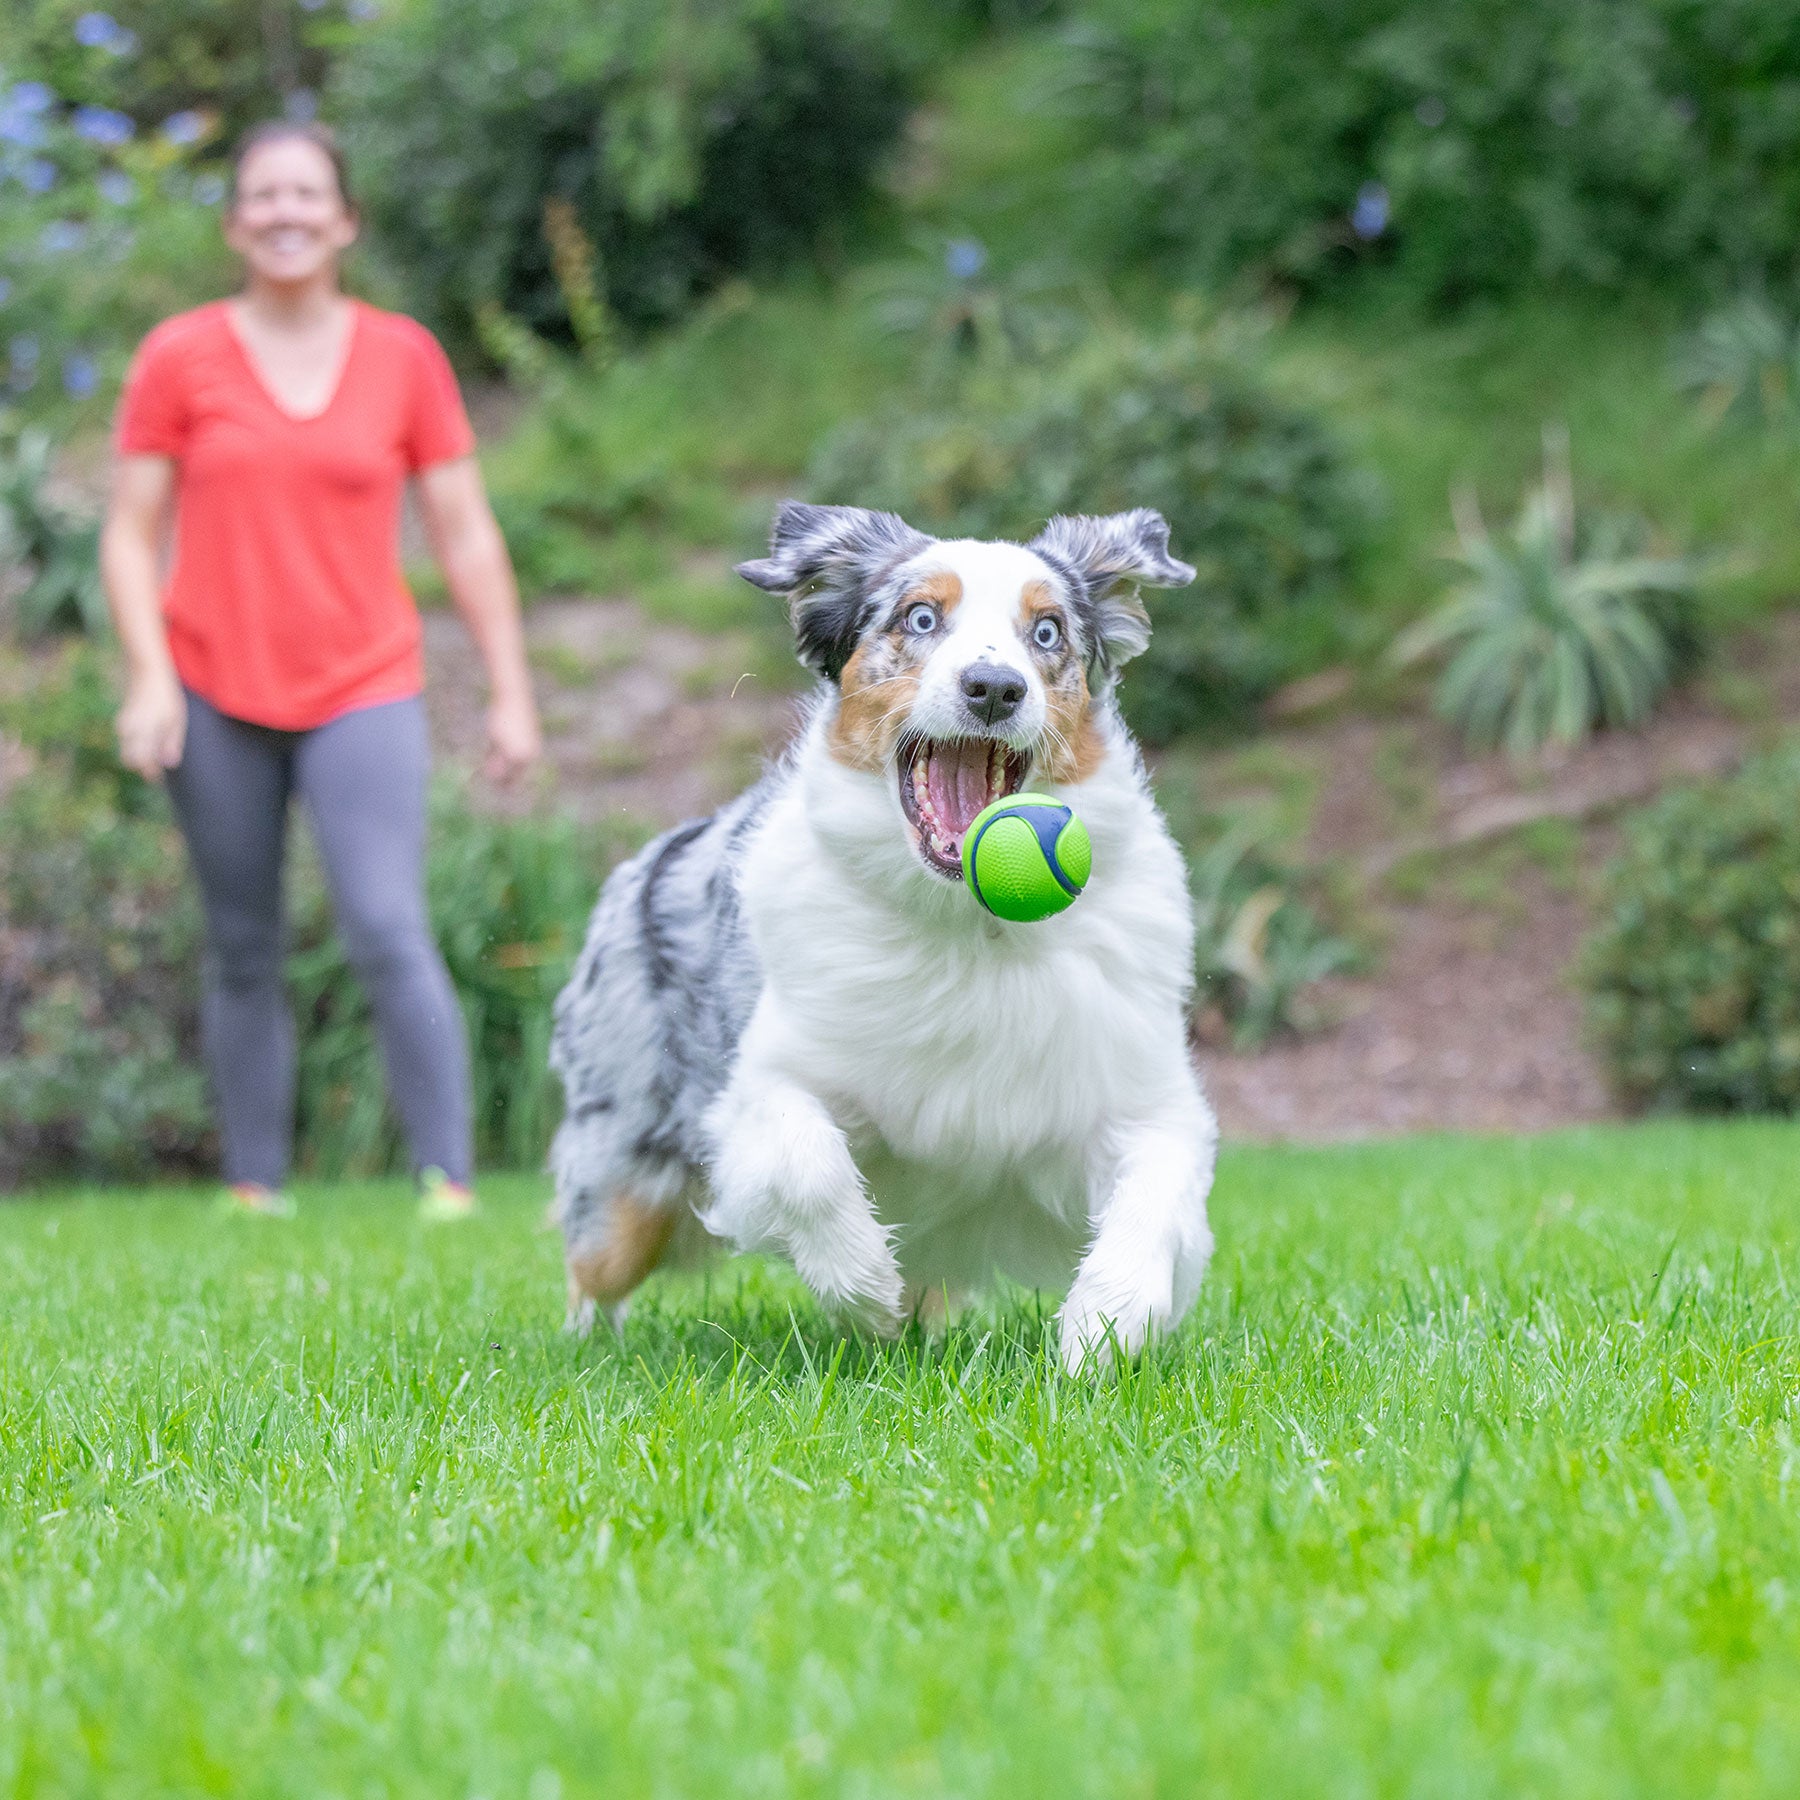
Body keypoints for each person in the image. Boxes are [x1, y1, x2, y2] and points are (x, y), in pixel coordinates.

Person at [100, 121, 542, 1221]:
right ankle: (257, 1185)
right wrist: (150, 679)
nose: (286, 213)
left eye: (308, 195)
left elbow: (466, 533)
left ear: (344, 221)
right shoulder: (178, 355)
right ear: (235, 223)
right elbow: (127, 531)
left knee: (388, 924)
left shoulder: (404, 357)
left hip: (365, 684)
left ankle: (446, 1182)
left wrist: (512, 692)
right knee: (242, 939)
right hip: (210, 685)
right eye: (264, 196)